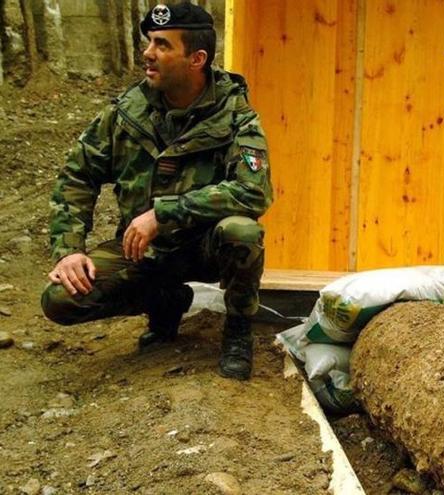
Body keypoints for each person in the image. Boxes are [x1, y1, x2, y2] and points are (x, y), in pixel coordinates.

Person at [40, 3, 272, 380]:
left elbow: (253, 192)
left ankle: (237, 332)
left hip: (204, 248)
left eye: (162, 45)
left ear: (196, 59)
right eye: (149, 42)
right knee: (60, 299)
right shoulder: (125, 113)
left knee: (242, 231)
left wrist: (163, 214)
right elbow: (77, 177)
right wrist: (69, 250)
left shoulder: (235, 116)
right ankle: (167, 301)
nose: (147, 53)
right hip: (142, 251)